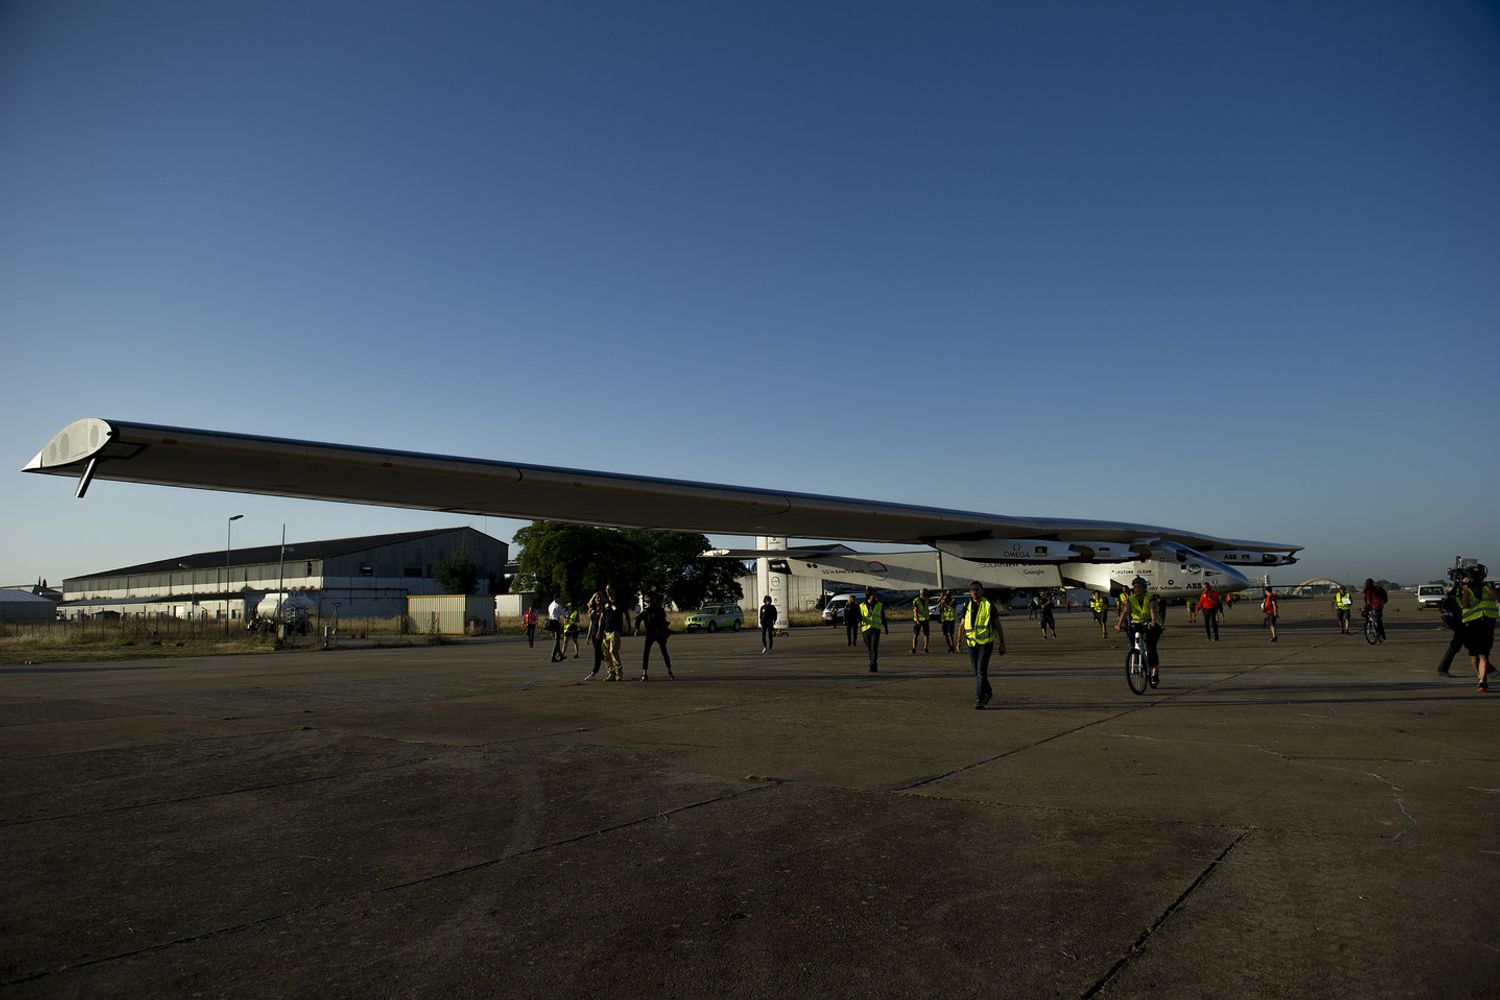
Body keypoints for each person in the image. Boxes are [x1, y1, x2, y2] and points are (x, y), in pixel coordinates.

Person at [958, 581, 1006, 709]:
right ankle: (988, 691)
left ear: (982, 591)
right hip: (971, 644)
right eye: (972, 589)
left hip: (985, 644)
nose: (975, 591)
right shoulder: (967, 605)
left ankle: (980, 698)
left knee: (981, 671)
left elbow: (998, 626)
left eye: (977, 589)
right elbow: (962, 625)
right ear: (970, 592)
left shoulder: (988, 605)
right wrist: (958, 641)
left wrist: (1002, 643)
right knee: (976, 671)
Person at [1116, 576, 1162, 687]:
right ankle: (1137, 655)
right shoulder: (1131, 599)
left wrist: (1153, 621)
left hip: (1152, 624)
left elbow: (1152, 609)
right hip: (1137, 624)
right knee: (1134, 642)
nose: (1137, 589)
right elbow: (1126, 611)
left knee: (1151, 647)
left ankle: (1154, 670)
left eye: (1140, 587)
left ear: (1144, 588)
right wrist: (1119, 624)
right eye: (1135, 587)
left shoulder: (1150, 597)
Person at [1457, 565, 1497, 692]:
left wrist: (1485, 586)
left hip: (1487, 622)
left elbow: (1498, 598)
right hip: (1471, 624)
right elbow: (1465, 605)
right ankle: (1479, 676)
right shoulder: (1463, 590)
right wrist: (1465, 589)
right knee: (1475, 655)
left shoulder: (1488, 587)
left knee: (1484, 654)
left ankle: (1482, 681)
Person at [636, 593, 675, 680]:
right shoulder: (648, 611)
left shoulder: (661, 610)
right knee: (646, 652)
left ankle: (669, 670)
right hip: (650, 633)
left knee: (664, 652)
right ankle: (644, 672)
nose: (661, 603)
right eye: (660, 601)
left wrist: (665, 628)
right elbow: (638, 619)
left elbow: (662, 622)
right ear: (656, 601)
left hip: (659, 634)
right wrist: (637, 629)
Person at [599, 584, 631, 681]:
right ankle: (611, 673)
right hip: (606, 631)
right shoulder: (605, 603)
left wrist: (629, 627)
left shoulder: (619, 602)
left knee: (613, 651)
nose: (607, 591)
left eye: (609, 589)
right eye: (606, 589)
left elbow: (626, 615)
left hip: (615, 631)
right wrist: (598, 631)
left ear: (614, 590)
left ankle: (619, 673)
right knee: (606, 653)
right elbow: (602, 617)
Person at [1437, 579, 1466, 676]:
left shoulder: (1452, 593)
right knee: (1476, 649)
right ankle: (1488, 670)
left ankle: (1488, 669)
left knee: (1456, 647)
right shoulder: (1457, 593)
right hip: (1461, 624)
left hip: (1460, 623)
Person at [858, 587, 888, 672]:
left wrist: (886, 628)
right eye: (874, 594)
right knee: (870, 648)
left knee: (874, 647)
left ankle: (873, 664)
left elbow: (883, 617)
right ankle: (872, 661)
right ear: (869, 596)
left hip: (876, 628)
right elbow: (859, 616)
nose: (875, 596)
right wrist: (859, 622)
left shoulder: (879, 605)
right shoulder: (861, 606)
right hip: (865, 629)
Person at [583, 592, 605, 680]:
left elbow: (602, 622)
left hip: (600, 635)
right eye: (596, 598)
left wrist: (599, 633)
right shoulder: (593, 610)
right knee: (601, 655)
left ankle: (593, 673)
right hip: (593, 635)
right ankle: (611, 667)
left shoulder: (603, 609)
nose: (598, 599)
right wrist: (587, 637)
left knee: (597, 654)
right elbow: (591, 625)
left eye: (599, 597)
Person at [911, 588, 931, 654]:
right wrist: (917, 620)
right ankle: (914, 648)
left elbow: (934, 602)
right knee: (916, 634)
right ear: (922, 594)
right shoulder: (916, 601)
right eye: (925, 593)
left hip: (926, 619)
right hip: (918, 620)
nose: (926, 595)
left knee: (926, 634)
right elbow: (915, 611)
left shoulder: (927, 600)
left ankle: (926, 648)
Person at [547, 596, 565, 662]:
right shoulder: (558, 605)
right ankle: (553, 656)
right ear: (556, 598)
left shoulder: (550, 605)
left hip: (550, 622)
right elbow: (563, 613)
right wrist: (567, 612)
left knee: (556, 639)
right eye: (559, 598)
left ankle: (560, 654)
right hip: (556, 623)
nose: (560, 600)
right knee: (557, 640)